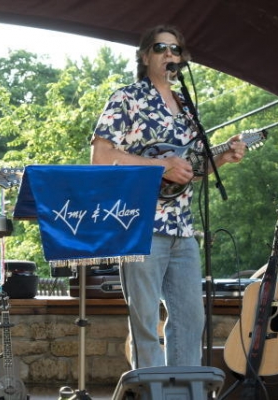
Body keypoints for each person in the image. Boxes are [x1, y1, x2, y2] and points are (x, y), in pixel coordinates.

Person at [90, 25, 246, 368]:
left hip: (182, 228)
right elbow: (101, 157)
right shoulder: (126, 98)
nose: (169, 54)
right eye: (160, 48)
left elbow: (190, 169)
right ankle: (151, 388)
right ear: (145, 56)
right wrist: (161, 165)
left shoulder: (186, 105)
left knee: (191, 319)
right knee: (145, 321)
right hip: (138, 224)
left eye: (175, 49)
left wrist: (223, 158)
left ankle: (185, 387)